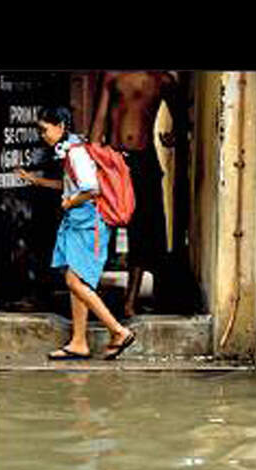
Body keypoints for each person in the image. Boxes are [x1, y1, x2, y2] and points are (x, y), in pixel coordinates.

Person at [16, 106, 135, 360]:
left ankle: (118, 330)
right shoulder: (70, 150)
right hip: (79, 224)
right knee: (76, 283)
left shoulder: (76, 152)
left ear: (60, 125)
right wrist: (36, 181)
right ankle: (79, 342)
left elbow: (91, 190)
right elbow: (71, 184)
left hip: (88, 225)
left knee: (74, 281)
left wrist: (69, 203)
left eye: (44, 129)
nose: (43, 135)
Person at [90, 71, 184, 319]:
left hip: (144, 161)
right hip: (114, 158)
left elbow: (182, 116)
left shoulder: (162, 79)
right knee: (97, 224)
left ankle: (129, 302)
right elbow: (98, 120)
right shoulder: (112, 74)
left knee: (142, 231)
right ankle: (91, 292)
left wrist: (175, 133)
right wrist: (92, 158)